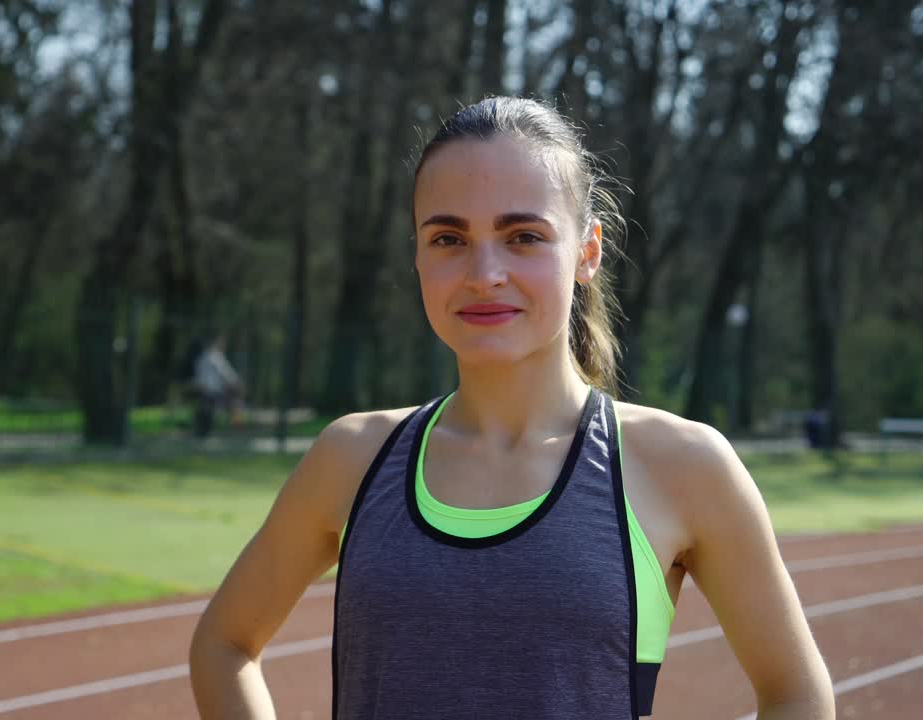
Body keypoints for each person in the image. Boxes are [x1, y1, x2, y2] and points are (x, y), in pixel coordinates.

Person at [189, 97, 834, 719]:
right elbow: (224, 646)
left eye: (523, 235)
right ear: (417, 253)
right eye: (448, 239)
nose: (484, 272)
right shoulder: (353, 458)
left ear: (587, 252)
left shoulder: (681, 467)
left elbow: (798, 696)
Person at [191, 334, 243, 437]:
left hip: (207, 389)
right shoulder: (215, 357)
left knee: (207, 410)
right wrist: (235, 382)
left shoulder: (203, 357)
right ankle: (237, 427)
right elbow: (225, 373)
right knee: (232, 406)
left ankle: (203, 431)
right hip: (213, 389)